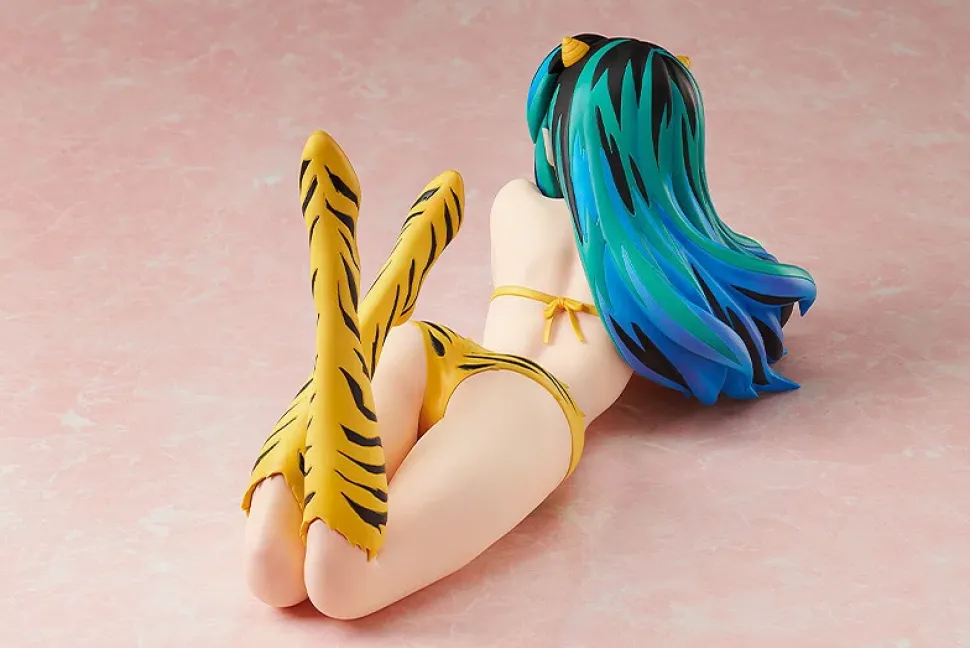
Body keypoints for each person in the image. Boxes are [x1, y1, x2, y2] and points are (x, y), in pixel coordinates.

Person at [241, 34, 818, 619]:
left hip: (436, 350)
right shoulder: (672, 261)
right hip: (533, 406)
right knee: (344, 584)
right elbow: (750, 312)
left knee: (272, 571)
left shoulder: (515, 203)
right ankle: (342, 327)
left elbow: (545, 154)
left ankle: (349, 326)